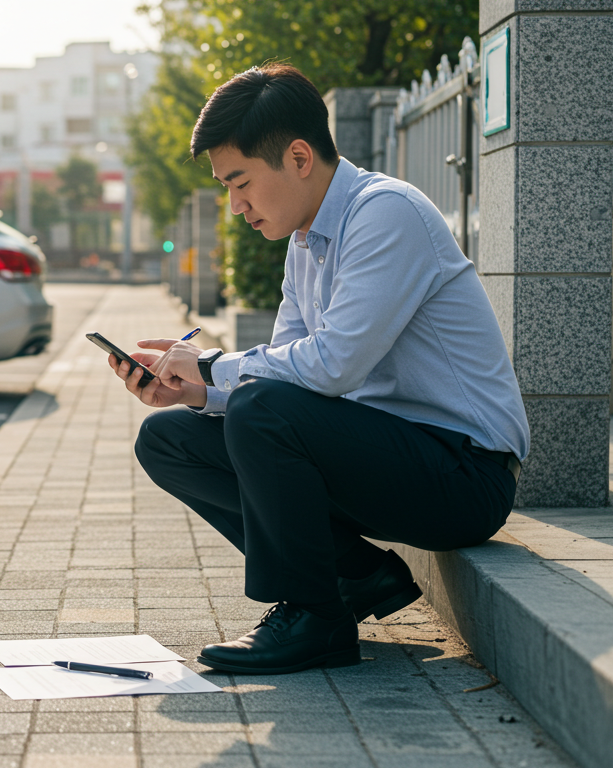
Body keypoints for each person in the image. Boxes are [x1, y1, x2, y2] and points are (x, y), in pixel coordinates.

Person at [113, 63, 529, 675]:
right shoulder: (305, 243)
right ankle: (355, 576)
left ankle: (315, 618)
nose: (235, 206)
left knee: (262, 409)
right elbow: (280, 373)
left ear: (300, 158)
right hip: (383, 459)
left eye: (241, 182)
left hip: (464, 474)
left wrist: (207, 363)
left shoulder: (385, 213)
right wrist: (194, 392)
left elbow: (332, 367)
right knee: (168, 440)